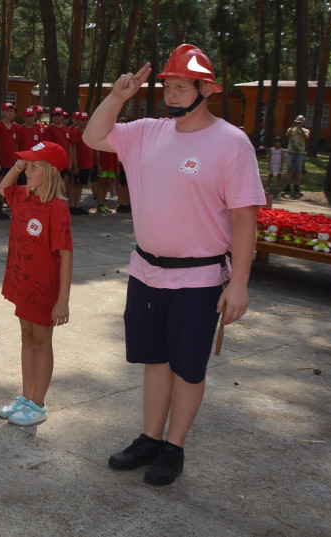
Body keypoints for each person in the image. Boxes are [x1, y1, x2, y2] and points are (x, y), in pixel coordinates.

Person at [83, 44, 265, 486]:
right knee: (155, 360)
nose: (174, 94)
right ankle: (149, 437)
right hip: (146, 271)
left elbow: (245, 219)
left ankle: (174, 446)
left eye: (183, 86)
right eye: (169, 85)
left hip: (199, 278)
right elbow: (92, 137)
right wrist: (117, 97)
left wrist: (238, 284)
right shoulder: (148, 131)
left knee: (187, 366)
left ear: (207, 89)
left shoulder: (231, 142)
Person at [0, 141, 72, 426]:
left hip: (44, 288)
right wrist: (17, 166)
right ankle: (26, 397)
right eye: (26, 165)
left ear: (50, 172)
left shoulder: (58, 208)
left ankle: (38, 404)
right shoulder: (24, 196)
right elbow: (2, 189)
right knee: (26, 337)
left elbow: (66, 256)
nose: (27, 170)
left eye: (33, 165)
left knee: (42, 341)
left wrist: (62, 300)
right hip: (22, 282)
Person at [0, 102, 19, 219]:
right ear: (2, 112)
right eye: (7, 111)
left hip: (11, 162)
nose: (9, 113)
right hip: (1, 161)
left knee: (6, 186)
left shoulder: (16, 127)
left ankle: (0, 208)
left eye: (11, 111)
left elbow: (16, 145)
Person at [69, 111, 94, 214]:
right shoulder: (75, 132)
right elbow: (73, 149)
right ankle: (73, 206)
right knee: (74, 185)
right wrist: (75, 165)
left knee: (80, 185)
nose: (84, 122)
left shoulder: (88, 132)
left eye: (86, 120)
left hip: (86, 164)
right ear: (78, 121)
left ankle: (77, 205)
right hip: (78, 164)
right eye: (82, 120)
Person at [284, 114, 309, 198]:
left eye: (300, 121)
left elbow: (306, 137)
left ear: (303, 122)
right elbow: (287, 135)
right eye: (298, 120)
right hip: (291, 151)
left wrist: (300, 128)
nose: (299, 122)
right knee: (289, 169)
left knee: (299, 170)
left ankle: (297, 186)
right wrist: (292, 126)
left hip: (300, 152)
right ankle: (288, 185)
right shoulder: (291, 129)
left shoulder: (305, 130)